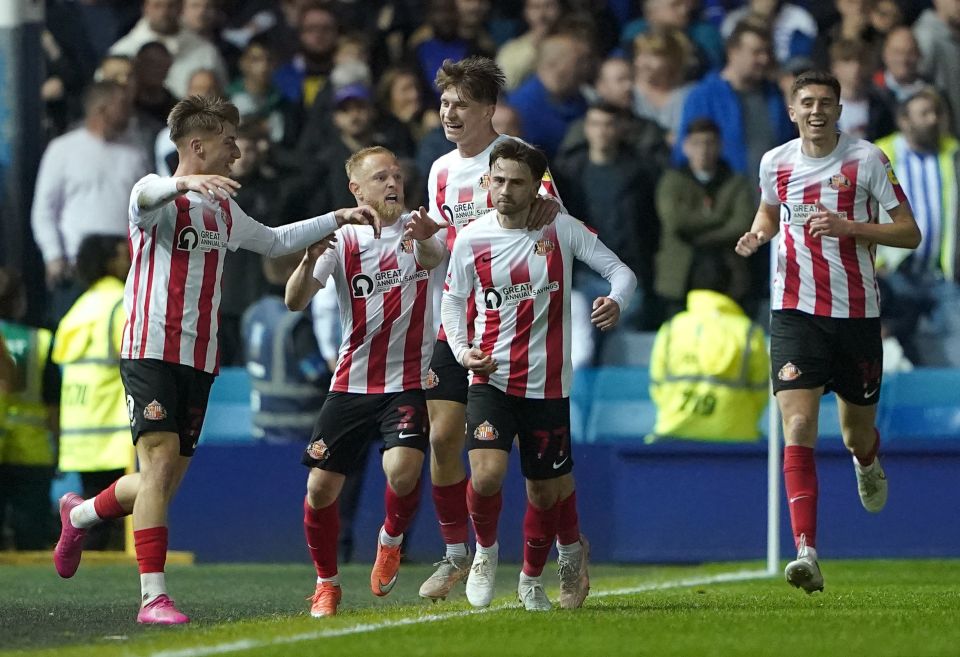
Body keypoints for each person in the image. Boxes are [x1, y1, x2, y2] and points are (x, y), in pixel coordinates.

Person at [51, 95, 382, 625]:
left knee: (162, 482)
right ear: (197, 145)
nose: (237, 149)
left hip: (200, 355)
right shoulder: (154, 194)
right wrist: (184, 182)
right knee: (157, 469)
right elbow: (149, 196)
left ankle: (82, 513)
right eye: (229, 140)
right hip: (150, 347)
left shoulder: (224, 208)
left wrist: (335, 219)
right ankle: (152, 597)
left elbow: (274, 243)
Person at [735, 70, 921, 594]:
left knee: (854, 434)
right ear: (792, 111)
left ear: (839, 110)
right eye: (807, 103)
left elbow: (909, 233)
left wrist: (851, 228)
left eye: (826, 102)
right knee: (797, 428)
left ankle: (867, 459)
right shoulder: (776, 162)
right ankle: (807, 552)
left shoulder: (866, 160)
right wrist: (757, 233)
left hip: (857, 313)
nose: (816, 111)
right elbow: (771, 211)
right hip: (794, 313)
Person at [442, 139, 637, 611]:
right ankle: (485, 552)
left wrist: (616, 301)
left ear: (536, 189)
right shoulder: (472, 238)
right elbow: (451, 299)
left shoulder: (560, 230)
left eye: (517, 182)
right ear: (487, 181)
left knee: (544, 490)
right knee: (486, 477)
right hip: (490, 378)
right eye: (498, 180)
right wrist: (464, 350)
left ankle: (531, 580)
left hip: (548, 383)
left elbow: (622, 272)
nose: (505, 190)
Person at [419, 56, 562, 603]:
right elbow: (440, 253)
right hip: (455, 324)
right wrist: (425, 238)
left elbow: (552, 225)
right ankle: (465, 551)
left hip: (517, 329)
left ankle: (561, 551)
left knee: (535, 466)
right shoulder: (438, 171)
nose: (450, 113)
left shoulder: (519, 161)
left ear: (488, 110)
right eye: (446, 103)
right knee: (442, 438)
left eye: (462, 104)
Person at [284, 146, 446, 617]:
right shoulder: (343, 238)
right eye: (380, 178)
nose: (392, 184)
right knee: (320, 490)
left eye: (396, 175)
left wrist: (426, 237)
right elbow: (295, 301)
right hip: (352, 382)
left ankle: (391, 538)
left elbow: (436, 258)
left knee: (403, 470)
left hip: (409, 380)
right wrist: (307, 258)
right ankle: (326, 583)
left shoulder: (420, 229)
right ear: (356, 190)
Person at [30, 81, 148, 323]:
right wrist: (53, 256)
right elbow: (44, 210)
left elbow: (147, 212)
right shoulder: (62, 150)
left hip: (123, 268)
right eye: (123, 106)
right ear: (102, 109)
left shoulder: (136, 154)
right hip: (75, 269)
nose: (130, 112)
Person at [51, 235, 133, 551]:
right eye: (121, 254)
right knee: (118, 531)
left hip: (81, 437)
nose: (128, 258)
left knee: (93, 535)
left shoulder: (78, 309)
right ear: (109, 262)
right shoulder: (120, 304)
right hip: (114, 436)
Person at [875, 87, 960, 366]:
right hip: (895, 276)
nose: (933, 119)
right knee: (895, 358)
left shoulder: (954, 155)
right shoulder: (878, 156)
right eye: (924, 113)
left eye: (936, 112)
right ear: (904, 120)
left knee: (955, 348)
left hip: (942, 275)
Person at [649, 253, 768, 442]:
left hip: (672, 436)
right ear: (732, 285)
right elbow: (761, 391)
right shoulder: (749, 332)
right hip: (737, 440)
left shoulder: (672, 328)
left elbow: (657, 386)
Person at [655, 117, 754, 317]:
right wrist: (719, 218)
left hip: (727, 279)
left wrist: (699, 236)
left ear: (719, 146)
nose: (703, 150)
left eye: (709, 143)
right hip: (679, 280)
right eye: (696, 143)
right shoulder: (672, 181)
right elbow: (676, 221)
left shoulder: (736, 183)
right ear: (685, 147)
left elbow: (742, 225)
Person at [0, 268, 60, 550]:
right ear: (19, 301)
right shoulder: (41, 340)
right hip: (32, 451)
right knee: (31, 543)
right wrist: (58, 448)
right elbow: (52, 404)